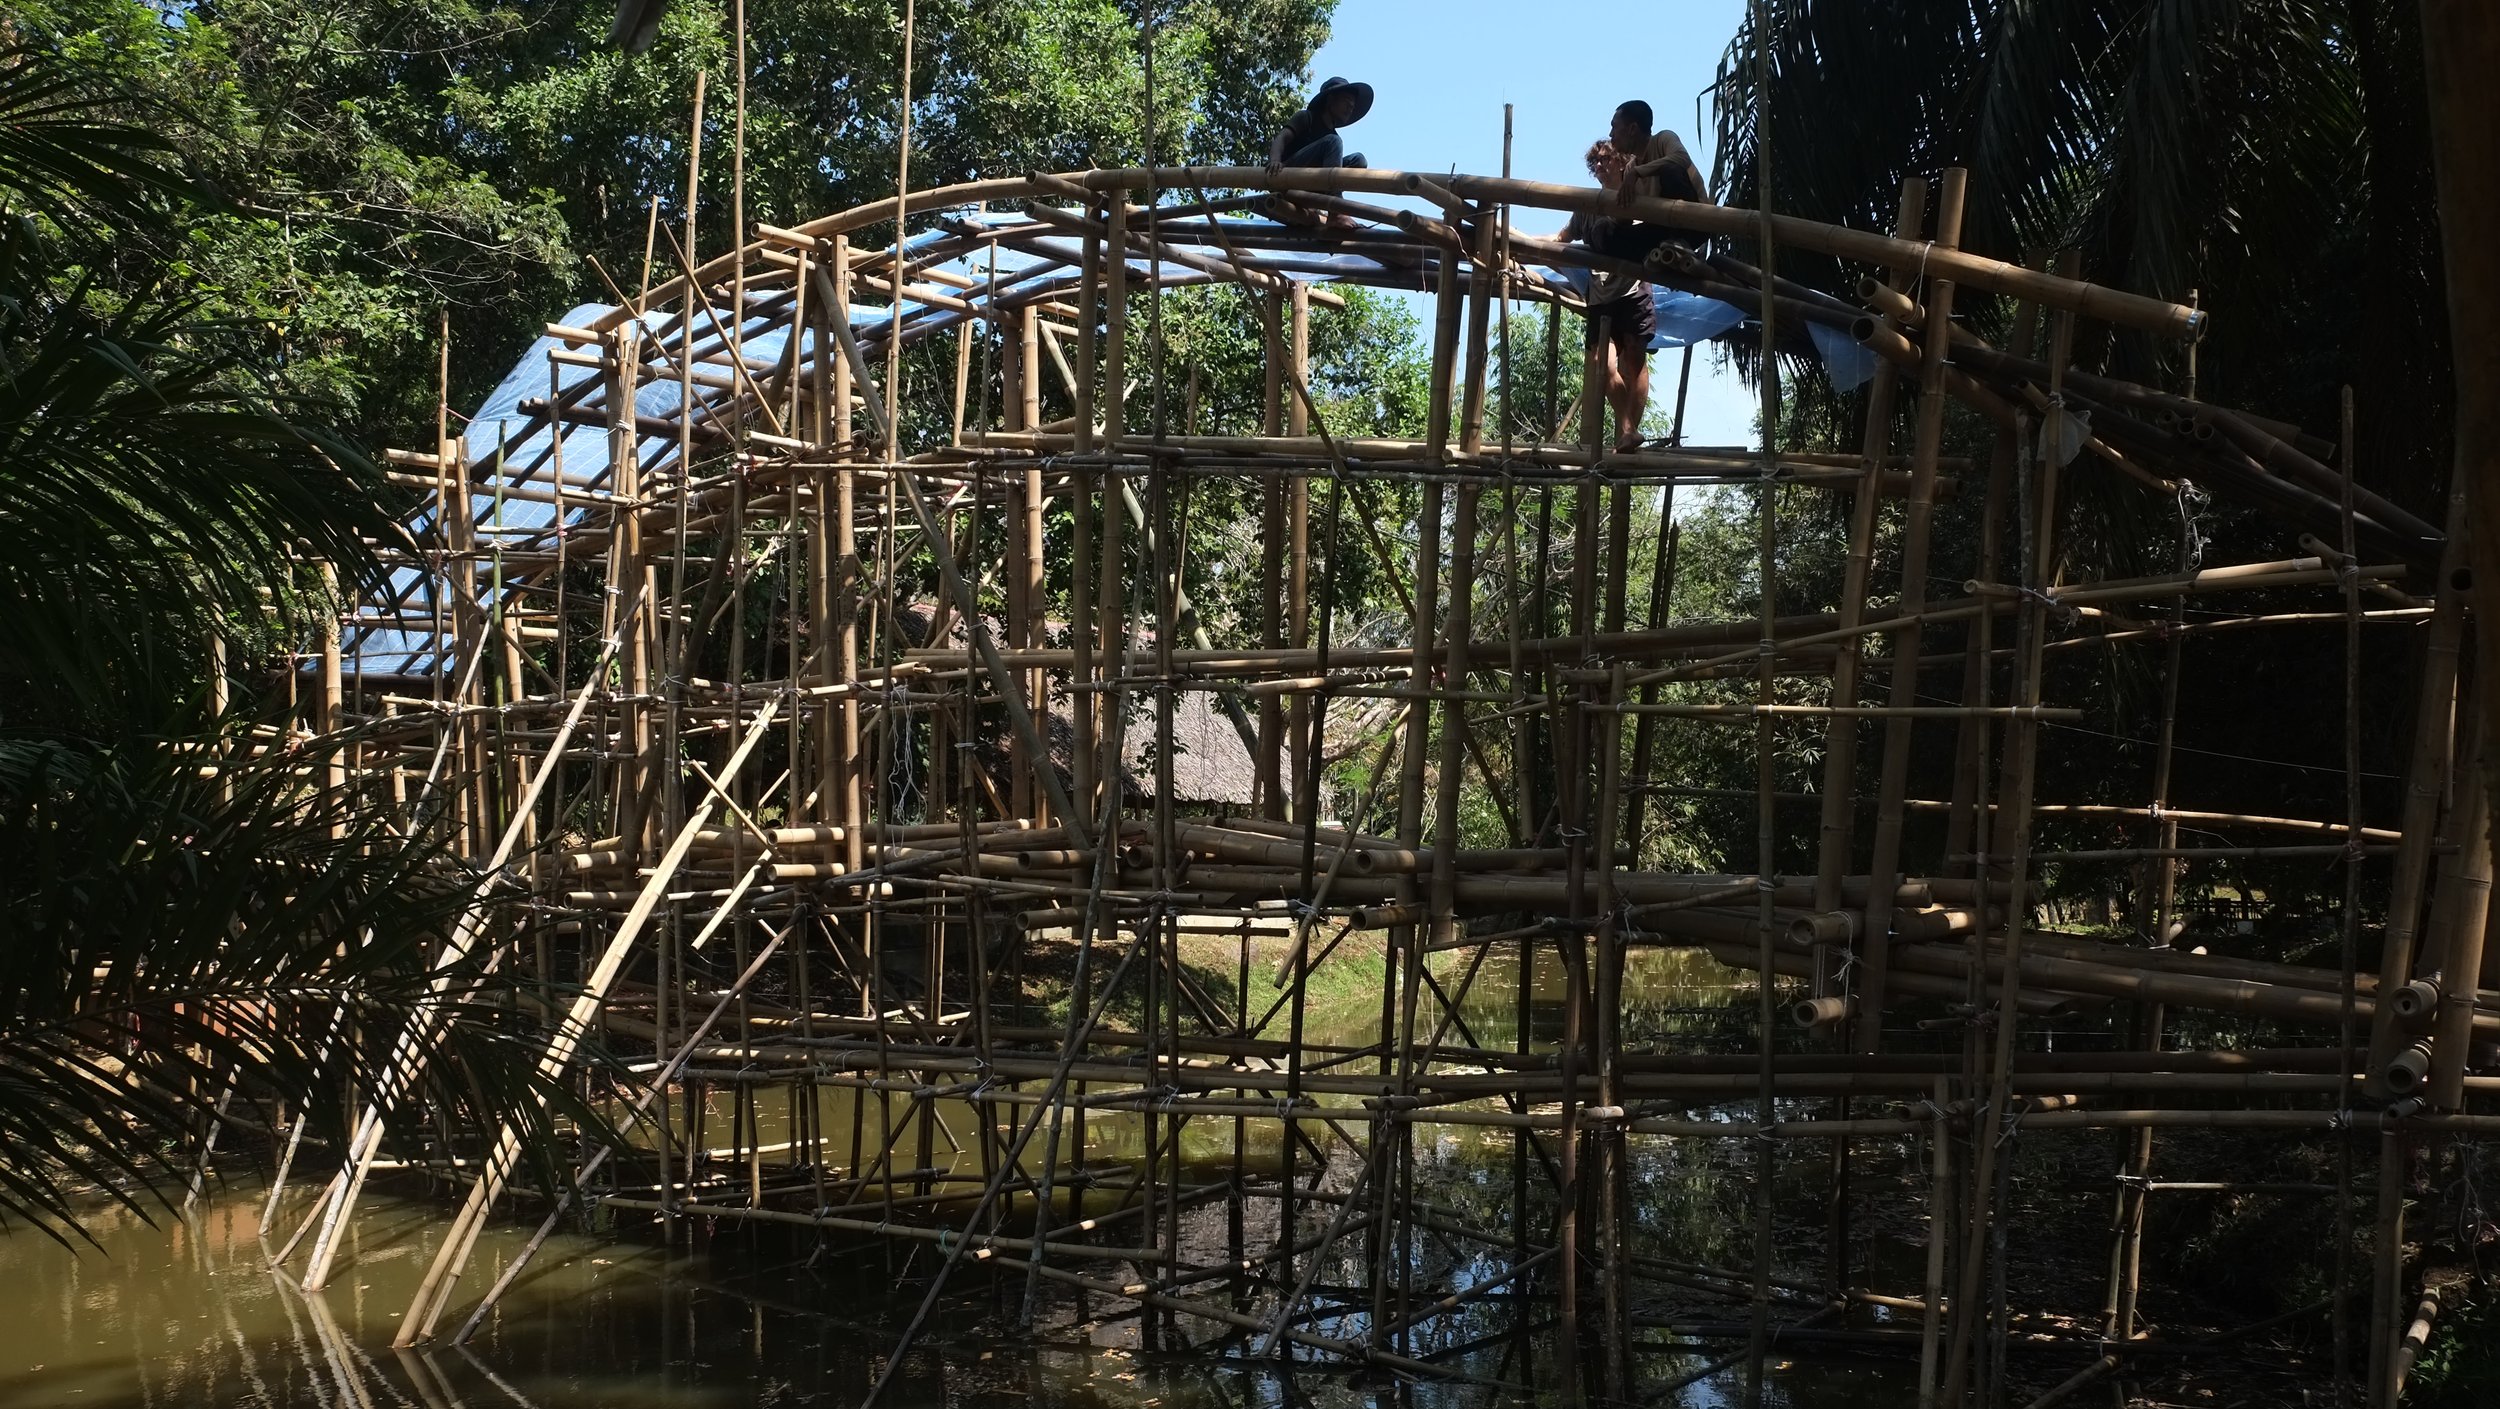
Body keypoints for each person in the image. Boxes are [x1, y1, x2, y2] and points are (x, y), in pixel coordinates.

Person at [1561, 141, 1656, 454]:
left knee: (1634, 356)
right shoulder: (1586, 205)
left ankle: (1630, 430)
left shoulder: (1640, 201)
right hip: (1601, 296)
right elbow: (1561, 239)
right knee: (1602, 364)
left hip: (1633, 290)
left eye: (1606, 160)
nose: (1600, 166)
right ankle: (1629, 429)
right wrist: (1518, 240)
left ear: (1621, 162)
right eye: (1596, 162)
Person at [1603, 99, 1711, 269]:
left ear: (1632, 129)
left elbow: (1681, 158)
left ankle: (1681, 243)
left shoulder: (1663, 139)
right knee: (1603, 233)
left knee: (1671, 170)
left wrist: (1638, 172)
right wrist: (1614, 219)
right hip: (1661, 231)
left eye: (1614, 127)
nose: (1611, 134)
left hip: (1693, 224)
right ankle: (1659, 253)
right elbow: (1627, 216)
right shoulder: (1631, 167)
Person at [1266, 76, 1373, 174]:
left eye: (1352, 106)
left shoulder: (1333, 137)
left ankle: (1327, 188)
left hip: (1317, 175)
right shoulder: (1307, 118)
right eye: (1346, 101)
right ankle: (1334, 192)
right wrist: (1275, 161)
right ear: (1330, 99)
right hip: (1289, 171)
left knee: (1359, 160)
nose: (1350, 108)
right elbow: (1282, 138)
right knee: (1333, 141)